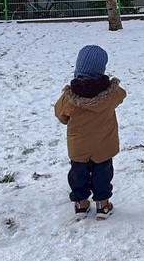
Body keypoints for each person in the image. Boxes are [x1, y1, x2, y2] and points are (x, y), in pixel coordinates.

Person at [54, 45, 126, 220]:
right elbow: (122, 95)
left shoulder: (69, 97)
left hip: (79, 146)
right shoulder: (112, 94)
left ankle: (81, 204)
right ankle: (102, 205)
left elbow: (60, 115)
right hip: (104, 146)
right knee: (103, 173)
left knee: (78, 174)